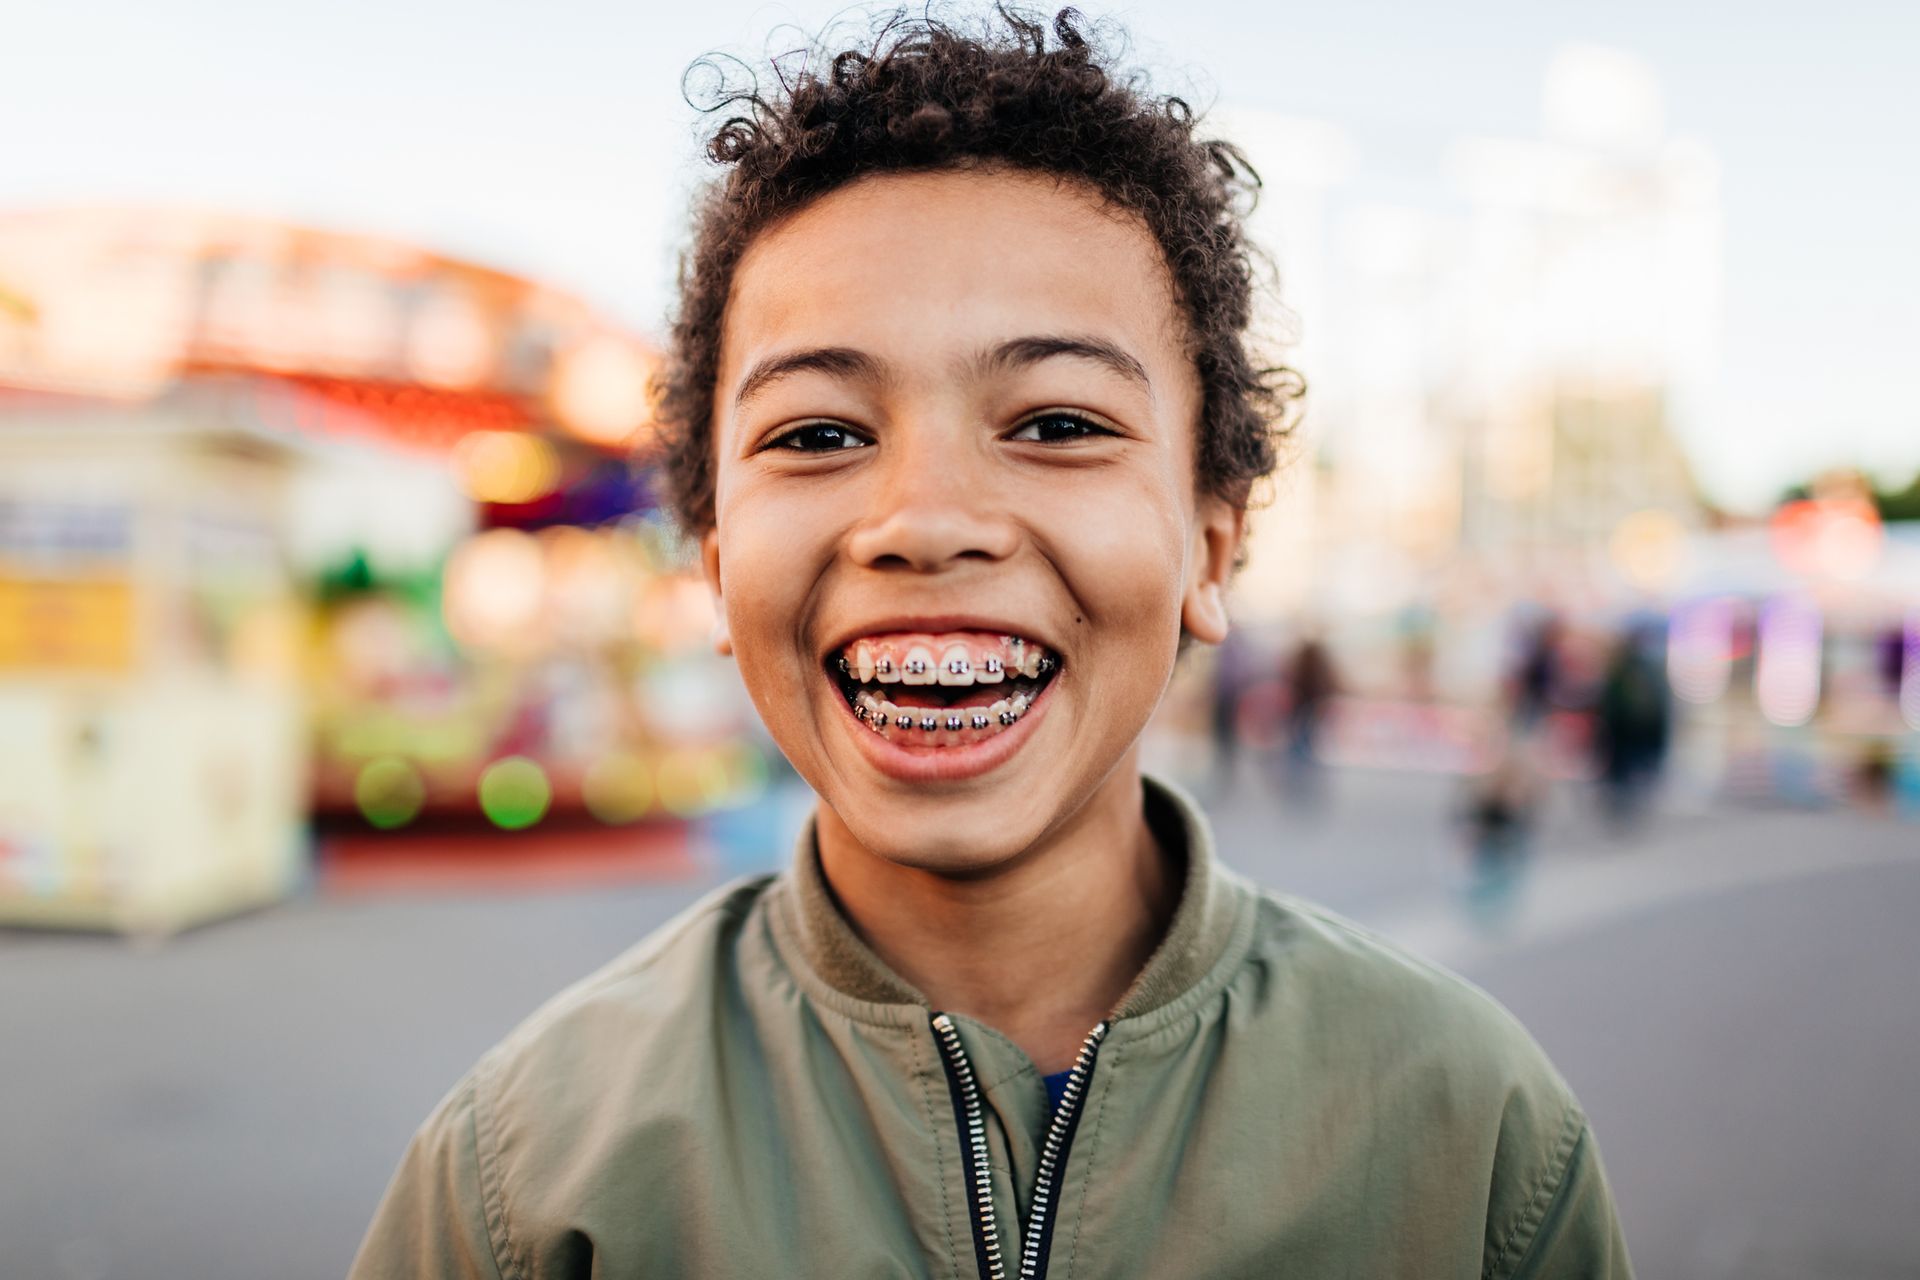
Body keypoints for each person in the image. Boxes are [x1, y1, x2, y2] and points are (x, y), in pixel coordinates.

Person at [351, 11, 1631, 1277]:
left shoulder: (1465, 1136)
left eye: (1060, 420)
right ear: (720, 565)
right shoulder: (527, 1183)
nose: (925, 521)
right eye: (818, 433)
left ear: (1209, 548)